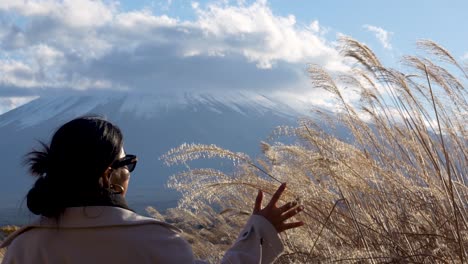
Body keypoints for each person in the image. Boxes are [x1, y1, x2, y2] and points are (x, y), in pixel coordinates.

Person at [0, 116, 304, 263]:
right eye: (128, 163)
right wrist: (259, 230)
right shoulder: (153, 240)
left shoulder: (24, 248)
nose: (130, 171)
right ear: (108, 175)